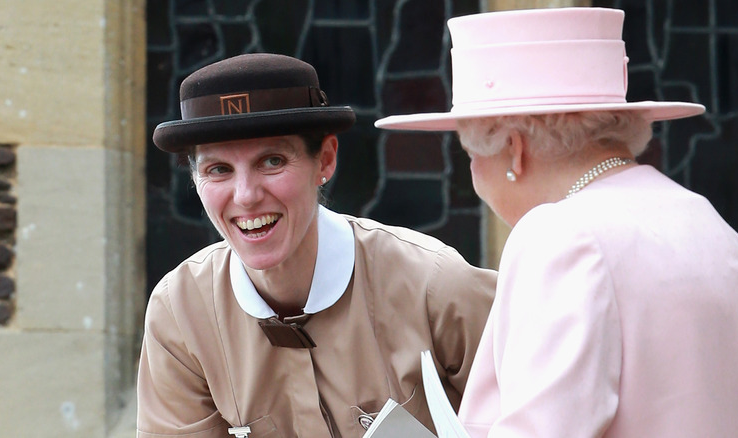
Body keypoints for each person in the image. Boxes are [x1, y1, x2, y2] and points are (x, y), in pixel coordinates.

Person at [375, 7, 738, 438]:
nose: (472, 175)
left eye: (471, 155)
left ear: (514, 149)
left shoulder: (561, 237)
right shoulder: (711, 225)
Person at [137, 53, 496, 438]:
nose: (246, 195)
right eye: (218, 170)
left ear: (324, 160)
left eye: (272, 161)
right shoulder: (179, 312)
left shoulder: (437, 285)